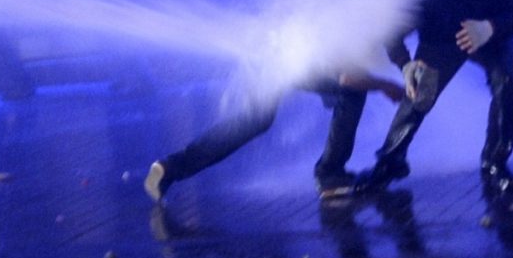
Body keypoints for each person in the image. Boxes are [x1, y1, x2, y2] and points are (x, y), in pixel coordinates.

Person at [355, 0, 513, 198]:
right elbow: (392, 33)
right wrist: (406, 65)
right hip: (442, 39)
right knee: (421, 88)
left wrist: (491, 27)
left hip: (490, 34)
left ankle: (496, 163)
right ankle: (390, 162)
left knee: (506, 83)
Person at [144, 71, 404, 201]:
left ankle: (171, 167)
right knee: (354, 90)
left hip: (271, 49)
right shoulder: (364, 18)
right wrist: (385, 85)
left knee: (255, 120)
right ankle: (330, 175)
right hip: (291, 55)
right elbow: (347, 75)